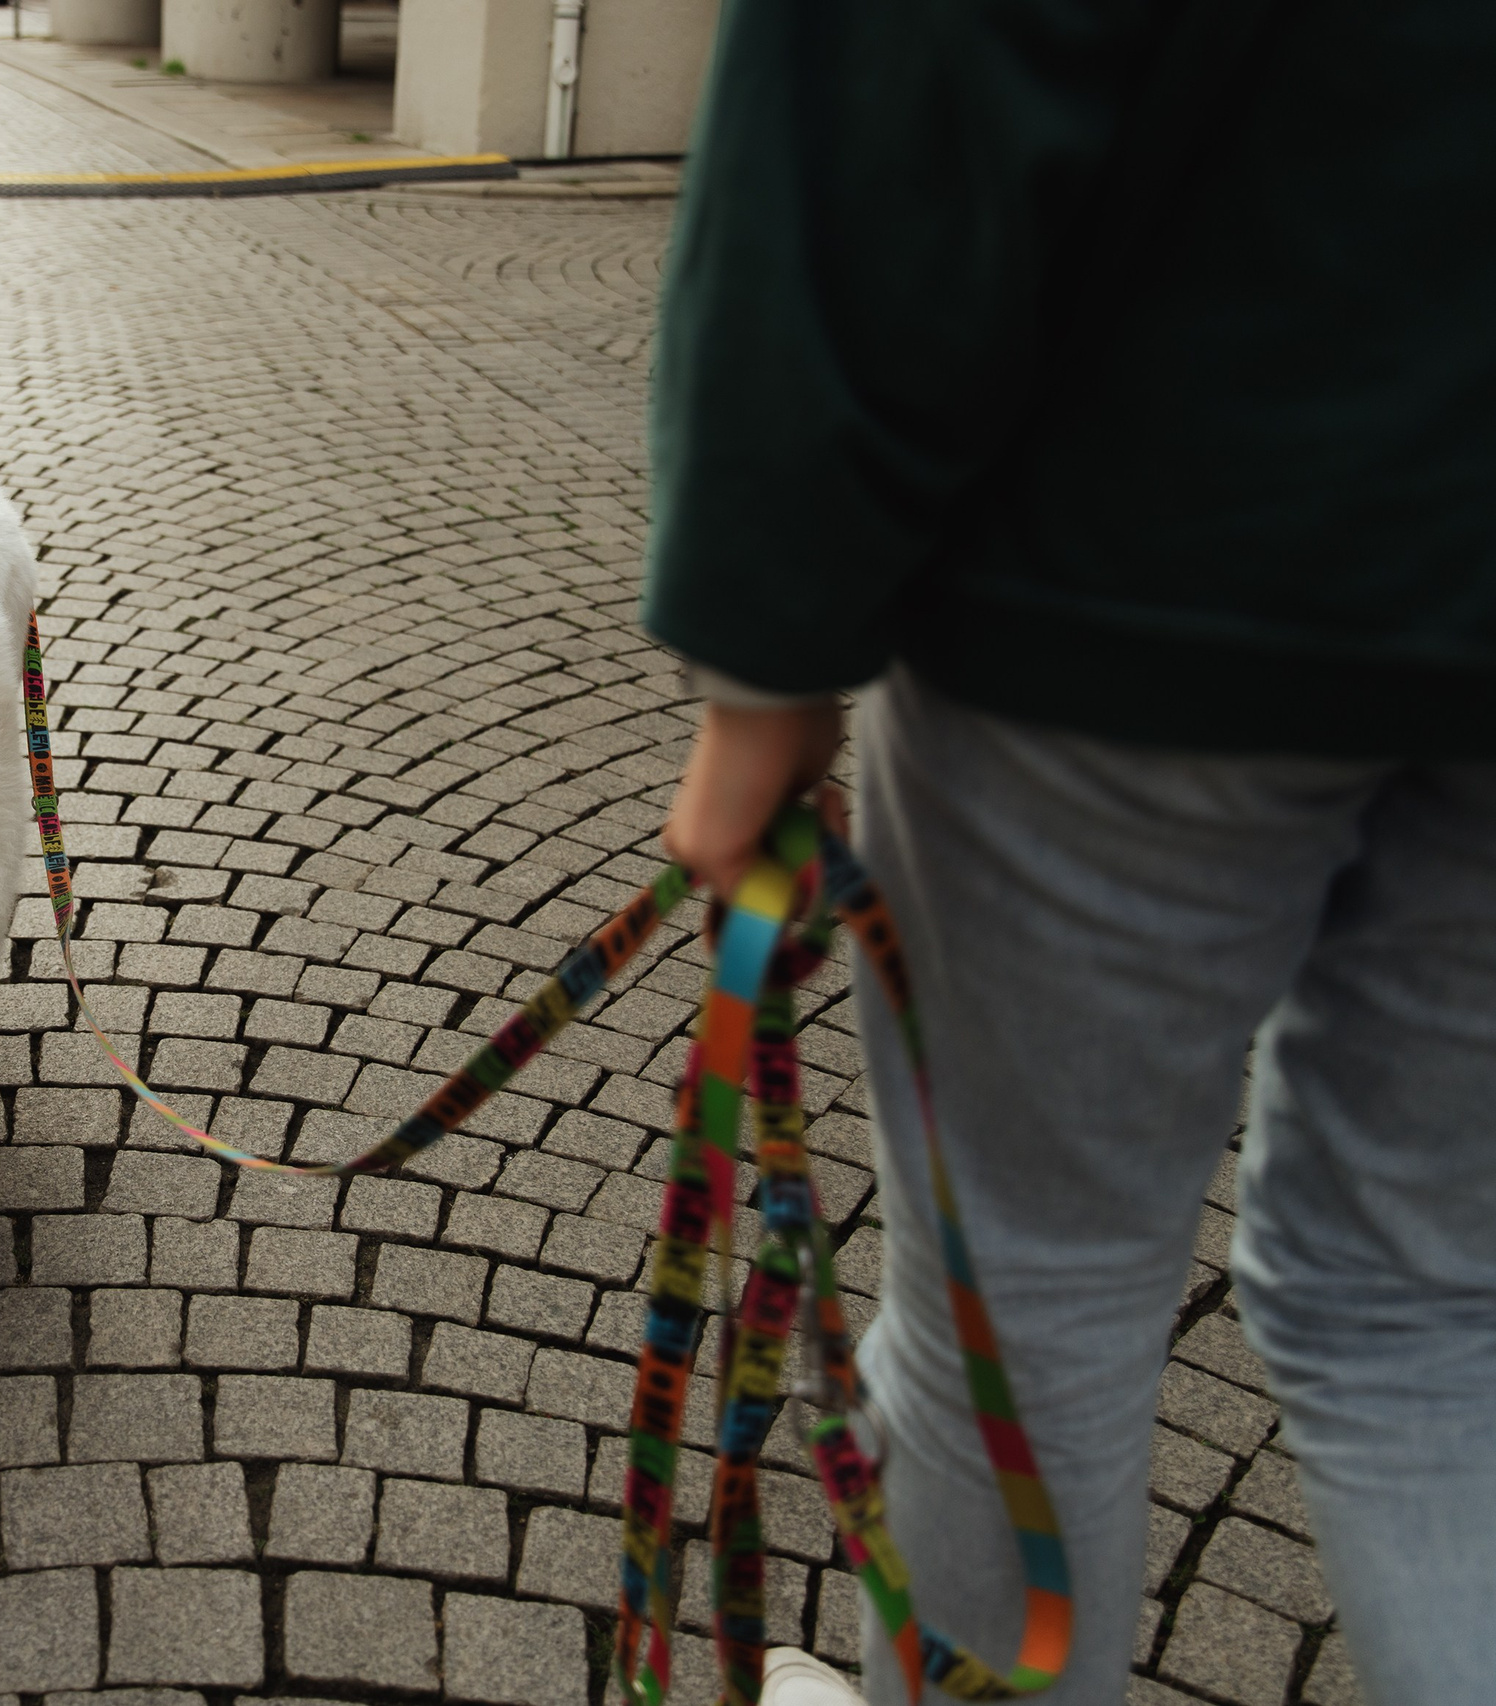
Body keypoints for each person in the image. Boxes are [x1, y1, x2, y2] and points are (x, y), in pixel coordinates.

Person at [639, 2, 1496, 1703]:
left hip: (1139, 567)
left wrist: (766, 652)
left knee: (1020, 1306)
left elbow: (886, 72)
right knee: (1435, 1311)